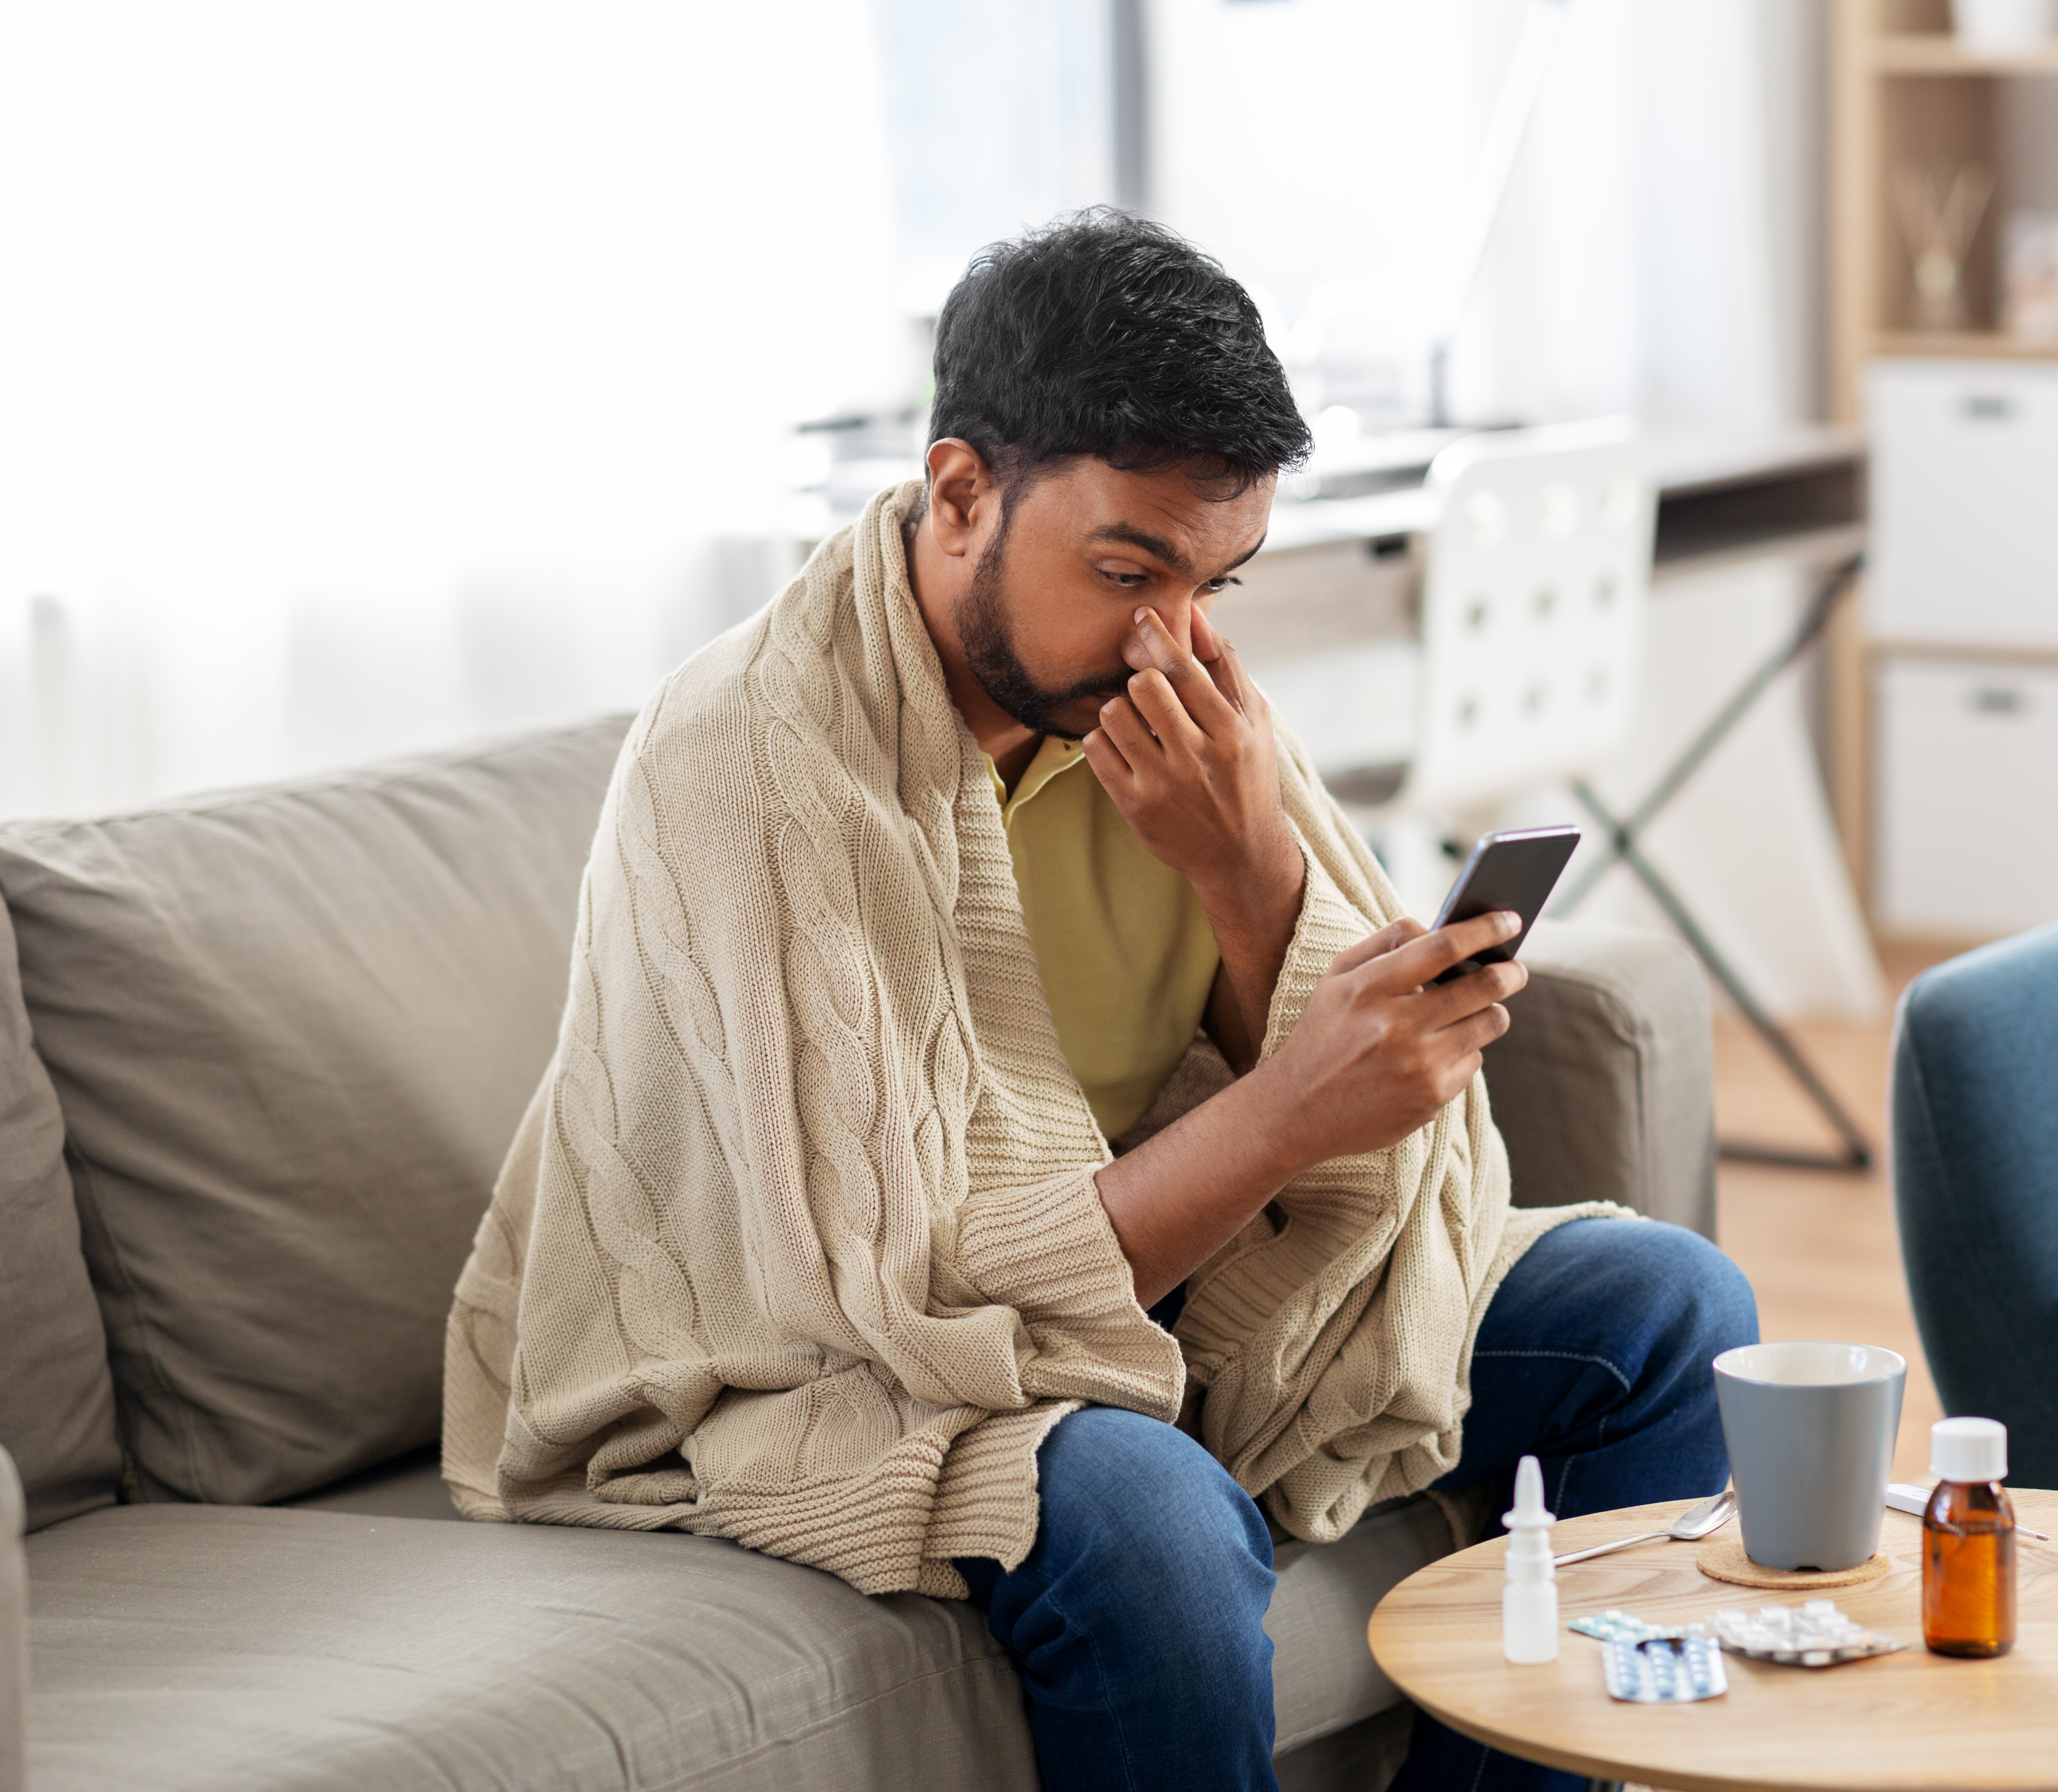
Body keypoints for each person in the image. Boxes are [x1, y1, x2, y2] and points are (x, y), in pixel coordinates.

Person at [443, 209, 1756, 1792]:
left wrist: (1249, 873)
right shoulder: (755, 759)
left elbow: (1419, 1175)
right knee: (1144, 1513)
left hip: (1135, 1303)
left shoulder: (1180, 716)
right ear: (957, 495)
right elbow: (903, 1296)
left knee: (1668, 1314)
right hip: (812, 1358)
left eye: (1220, 581)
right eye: (1127, 568)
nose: (1174, 640)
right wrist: (1284, 1111)